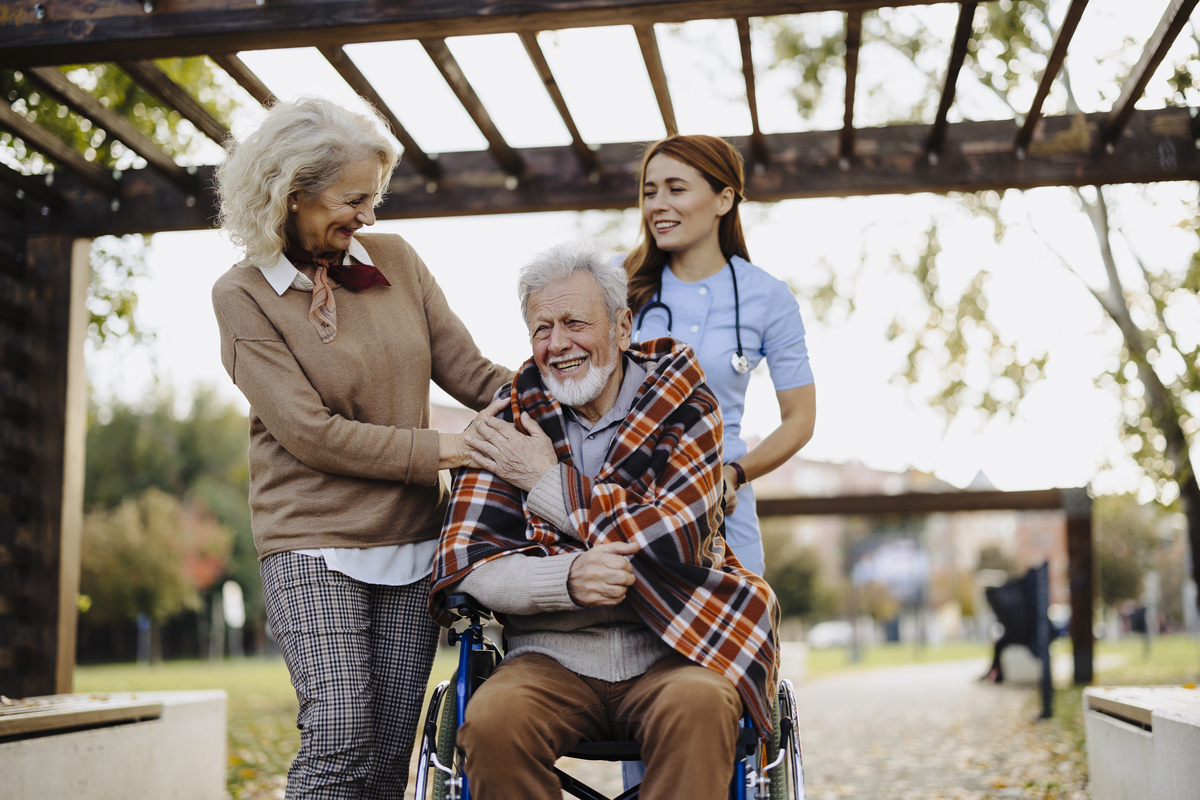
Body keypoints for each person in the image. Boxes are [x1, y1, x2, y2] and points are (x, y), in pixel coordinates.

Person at [211, 97, 512, 800]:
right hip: (312, 539)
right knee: (341, 728)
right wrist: (454, 448)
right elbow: (310, 433)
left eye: (375, 199)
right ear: (291, 193)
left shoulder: (396, 261)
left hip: (411, 541)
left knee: (386, 753)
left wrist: (565, 387)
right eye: (354, 199)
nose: (369, 217)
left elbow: (471, 373)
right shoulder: (242, 295)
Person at [428, 240, 779, 800]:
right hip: (548, 658)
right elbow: (468, 560)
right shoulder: (510, 419)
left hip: (676, 649)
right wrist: (567, 581)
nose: (558, 344)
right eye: (542, 329)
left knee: (702, 706)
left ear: (621, 328)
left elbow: (676, 537)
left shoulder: (688, 406)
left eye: (574, 323)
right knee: (492, 722)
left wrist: (544, 484)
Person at [625, 134, 817, 577]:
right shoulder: (617, 280)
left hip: (720, 504)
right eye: (650, 192)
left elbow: (800, 419)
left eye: (676, 189)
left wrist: (735, 474)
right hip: (625, 500)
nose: (657, 204)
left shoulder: (768, 297)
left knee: (739, 639)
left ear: (723, 199)